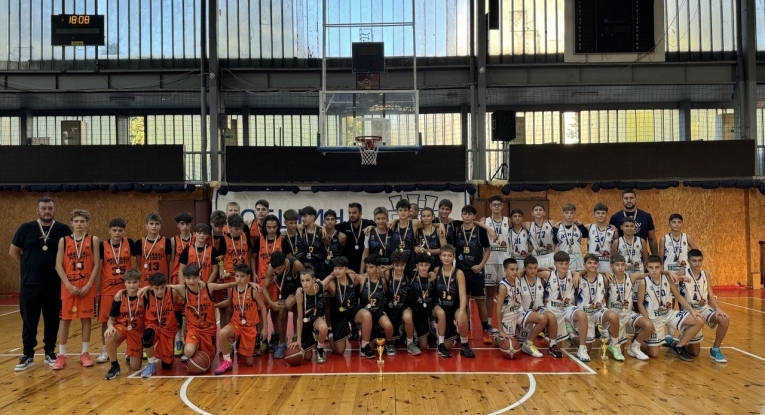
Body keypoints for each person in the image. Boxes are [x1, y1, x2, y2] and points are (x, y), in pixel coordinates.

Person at [10, 196, 71, 372]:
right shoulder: (26, 228)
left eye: (50, 208)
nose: (47, 211)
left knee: (52, 319)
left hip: (54, 283)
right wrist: (27, 265)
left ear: (54, 210)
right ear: (37, 210)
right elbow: (13, 251)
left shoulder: (62, 229)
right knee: (29, 320)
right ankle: (27, 354)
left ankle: (49, 352)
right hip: (30, 284)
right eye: (43, 208)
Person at [52, 209, 101, 370]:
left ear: (87, 223)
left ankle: (85, 353)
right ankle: (62, 355)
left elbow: (96, 264)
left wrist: (89, 284)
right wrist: (67, 284)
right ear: (71, 223)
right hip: (69, 287)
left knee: (86, 319)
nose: (79, 224)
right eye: (76, 221)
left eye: (82, 221)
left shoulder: (93, 240)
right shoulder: (64, 240)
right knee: (65, 320)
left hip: (86, 286)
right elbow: (58, 265)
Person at [636, 255, 704, 361]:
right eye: (651, 267)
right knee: (654, 353)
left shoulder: (667, 279)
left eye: (657, 267)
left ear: (662, 267)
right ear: (647, 267)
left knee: (699, 320)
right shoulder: (643, 282)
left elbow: (678, 296)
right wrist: (647, 321)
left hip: (669, 314)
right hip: (654, 318)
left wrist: (692, 311)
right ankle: (639, 342)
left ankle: (679, 346)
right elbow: (640, 303)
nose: (654, 270)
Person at [170, 265, 239, 364]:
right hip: (194, 330)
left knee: (208, 360)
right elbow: (164, 287)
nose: (191, 281)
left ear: (199, 277)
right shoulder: (182, 290)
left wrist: (249, 283)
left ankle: (198, 353)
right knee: (188, 352)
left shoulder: (208, 287)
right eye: (188, 278)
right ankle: (192, 350)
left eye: (194, 278)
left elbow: (228, 285)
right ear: (184, 279)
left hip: (209, 330)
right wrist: (146, 288)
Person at [676, 249, 730, 362]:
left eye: (699, 260)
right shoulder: (682, 273)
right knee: (695, 352)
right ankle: (681, 340)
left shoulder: (706, 275)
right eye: (694, 261)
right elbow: (673, 289)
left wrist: (718, 308)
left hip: (703, 308)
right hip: (689, 311)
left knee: (724, 319)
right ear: (688, 261)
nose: (697, 263)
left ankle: (715, 350)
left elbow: (710, 294)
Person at [214, 264, 268, 374]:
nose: (239, 279)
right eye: (237, 276)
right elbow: (229, 302)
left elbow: (263, 308)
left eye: (242, 276)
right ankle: (227, 361)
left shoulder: (253, 291)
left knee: (249, 362)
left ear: (248, 277)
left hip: (250, 327)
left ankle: (241, 345)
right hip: (237, 324)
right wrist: (214, 305)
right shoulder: (233, 289)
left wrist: (265, 328)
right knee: (222, 333)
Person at [96, 218, 135, 364]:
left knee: (130, 319)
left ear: (124, 231)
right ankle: (105, 349)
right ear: (109, 231)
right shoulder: (102, 246)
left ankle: (130, 349)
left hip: (127, 288)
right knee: (105, 320)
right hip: (107, 288)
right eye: (114, 230)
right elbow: (96, 264)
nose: (117, 233)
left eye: (120, 230)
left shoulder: (129, 243)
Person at [453, 205, 492, 345]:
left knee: (480, 301)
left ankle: (485, 330)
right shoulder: (456, 229)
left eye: (470, 214)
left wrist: (481, 265)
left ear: (474, 216)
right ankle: (467, 329)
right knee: (464, 301)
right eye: (465, 214)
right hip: (461, 271)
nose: (467, 216)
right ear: (461, 215)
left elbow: (488, 250)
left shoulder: (480, 230)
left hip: (476, 270)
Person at [324, 256, 375, 358]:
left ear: (346, 269)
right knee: (339, 351)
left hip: (352, 309)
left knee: (366, 315)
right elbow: (320, 287)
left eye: (340, 268)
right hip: (338, 314)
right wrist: (330, 276)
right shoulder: (331, 282)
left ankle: (365, 347)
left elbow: (362, 276)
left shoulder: (351, 276)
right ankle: (330, 334)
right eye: (335, 268)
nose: (337, 271)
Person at [575, 254, 624, 361]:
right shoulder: (578, 278)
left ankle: (614, 344)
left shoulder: (604, 278)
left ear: (598, 265)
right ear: (584, 265)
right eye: (589, 263)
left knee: (613, 316)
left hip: (599, 311)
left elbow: (605, 295)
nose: (592, 265)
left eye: (595, 263)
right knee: (588, 350)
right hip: (585, 314)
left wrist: (604, 272)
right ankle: (574, 338)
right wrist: (578, 273)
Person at [543, 251, 590, 362]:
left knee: (582, 315)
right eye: (561, 264)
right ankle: (569, 334)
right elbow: (530, 271)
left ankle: (582, 349)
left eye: (566, 263)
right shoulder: (548, 274)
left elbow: (586, 271)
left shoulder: (572, 274)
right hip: (553, 309)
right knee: (558, 347)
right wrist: (543, 268)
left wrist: (578, 274)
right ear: (555, 263)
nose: (564, 266)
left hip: (567, 308)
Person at [606, 254, 654, 361]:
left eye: (622, 265)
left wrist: (667, 272)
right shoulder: (608, 279)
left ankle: (634, 347)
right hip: (615, 318)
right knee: (620, 351)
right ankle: (613, 340)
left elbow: (649, 273)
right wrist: (604, 272)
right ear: (611, 266)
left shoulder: (631, 277)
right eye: (617, 265)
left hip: (628, 314)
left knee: (649, 325)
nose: (620, 267)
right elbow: (590, 272)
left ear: (625, 266)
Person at [494, 258, 544, 358]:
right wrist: (500, 330)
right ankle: (496, 337)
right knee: (510, 349)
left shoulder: (517, 277)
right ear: (505, 270)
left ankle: (528, 344)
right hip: (508, 317)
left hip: (520, 313)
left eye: (516, 269)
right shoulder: (503, 286)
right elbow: (498, 309)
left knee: (543, 319)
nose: (515, 272)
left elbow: (530, 269)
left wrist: (544, 269)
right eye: (512, 269)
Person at [516, 256, 562, 357]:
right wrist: (541, 269)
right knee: (543, 318)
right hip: (524, 311)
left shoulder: (541, 280)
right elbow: (518, 273)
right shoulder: (519, 279)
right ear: (524, 268)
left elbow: (545, 297)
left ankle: (553, 345)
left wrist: (541, 270)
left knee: (551, 317)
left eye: (535, 268)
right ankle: (528, 344)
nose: (533, 271)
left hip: (539, 309)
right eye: (530, 268)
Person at [432, 245, 473, 358]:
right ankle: (441, 344)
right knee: (447, 346)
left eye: (449, 256)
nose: (446, 258)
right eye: (444, 255)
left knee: (463, 315)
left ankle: (464, 344)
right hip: (440, 306)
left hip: (454, 307)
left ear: (454, 257)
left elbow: (463, 296)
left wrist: (461, 312)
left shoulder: (459, 273)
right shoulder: (436, 271)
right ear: (440, 257)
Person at [103, 269, 144, 380]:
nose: (132, 285)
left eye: (135, 282)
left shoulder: (144, 295)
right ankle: (114, 366)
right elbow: (111, 320)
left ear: (140, 282)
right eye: (129, 282)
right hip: (122, 328)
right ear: (125, 283)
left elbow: (158, 288)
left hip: (137, 331)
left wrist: (145, 288)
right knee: (109, 335)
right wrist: (110, 326)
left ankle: (130, 352)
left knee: (135, 367)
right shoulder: (119, 297)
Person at [139, 272, 180, 378]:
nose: (160, 291)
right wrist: (146, 288)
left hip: (168, 330)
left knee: (166, 366)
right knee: (147, 335)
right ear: (151, 287)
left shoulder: (172, 292)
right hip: (154, 326)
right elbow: (130, 290)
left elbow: (186, 288)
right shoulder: (147, 294)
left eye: (162, 287)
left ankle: (167, 356)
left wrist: (171, 286)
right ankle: (151, 363)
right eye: (156, 288)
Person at [263, 251, 303, 359]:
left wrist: (301, 290)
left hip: (298, 290)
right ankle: (282, 343)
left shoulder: (296, 264)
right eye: (275, 269)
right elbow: (264, 288)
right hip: (284, 292)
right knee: (281, 313)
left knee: (290, 304)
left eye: (279, 269)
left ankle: (297, 336)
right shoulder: (272, 268)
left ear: (285, 262)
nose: (277, 271)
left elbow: (306, 279)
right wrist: (271, 303)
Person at [289, 265, 330, 364]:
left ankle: (320, 349)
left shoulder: (320, 286)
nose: (305, 283)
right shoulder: (300, 295)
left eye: (307, 280)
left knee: (324, 327)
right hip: (306, 323)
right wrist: (299, 340)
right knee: (307, 357)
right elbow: (299, 319)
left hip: (316, 319)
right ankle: (299, 338)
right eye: (302, 280)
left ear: (314, 280)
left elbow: (330, 277)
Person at [219, 214, 250, 332]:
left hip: (245, 276)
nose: (239, 231)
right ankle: (230, 334)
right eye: (236, 229)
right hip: (230, 277)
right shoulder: (223, 239)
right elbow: (220, 258)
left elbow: (250, 254)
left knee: (245, 305)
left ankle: (245, 331)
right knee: (230, 307)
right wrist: (222, 272)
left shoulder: (245, 236)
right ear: (229, 228)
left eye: (241, 228)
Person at [484, 195, 510, 331]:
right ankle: (488, 323)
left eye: (498, 205)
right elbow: (474, 222)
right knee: (489, 292)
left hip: (504, 261)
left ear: (502, 206)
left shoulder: (508, 220)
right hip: (490, 260)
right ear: (490, 206)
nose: (496, 207)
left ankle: (506, 322)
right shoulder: (485, 221)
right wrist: (487, 228)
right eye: (494, 205)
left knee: (505, 293)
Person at [361, 253, 395, 355]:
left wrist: (384, 270)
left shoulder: (383, 281)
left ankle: (389, 343)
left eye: (371, 267)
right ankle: (364, 343)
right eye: (367, 267)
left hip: (379, 311)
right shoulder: (362, 279)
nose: (368, 270)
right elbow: (349, 275)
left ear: (378, 267)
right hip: (366, 312)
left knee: (388, 325)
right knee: (371, 347)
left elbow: (387, 293)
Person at [170, 212, 193, 357]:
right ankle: (178, 341)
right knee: (177, 312)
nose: (185, 226)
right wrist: (171, 280)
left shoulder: (196, 238)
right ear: (178, 225)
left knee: (190, 311)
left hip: (192, 279)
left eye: (187, 224)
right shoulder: (174, 240)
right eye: (182, 224)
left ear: (191, 225)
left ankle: (190, 339)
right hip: (177, 278)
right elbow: (172, 261)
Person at [609, 189, 658, 254]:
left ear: (635, 199)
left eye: (631, 198)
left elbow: (652, 239)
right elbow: (611, 239)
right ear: (622, 200)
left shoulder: (646, 216)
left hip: (641, 254)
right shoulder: (615, 217)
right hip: (621, 256)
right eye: (626, 198)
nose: (629, 200)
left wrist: (655, 256)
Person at [132, 213, 172, 288]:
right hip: (145, 281)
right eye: (151, 223)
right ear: (146, 226)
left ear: (160, 226)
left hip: (162, 281)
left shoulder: (167, 241)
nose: (154, 226)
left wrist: (169, 281)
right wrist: (137, 281)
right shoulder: (139, 242)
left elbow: (169, 263)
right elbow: (138, 265)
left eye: (157, 224)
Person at [404, 253, 433, 355]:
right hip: (416, 311)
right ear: (417, 266)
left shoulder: (432, 277)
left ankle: (432, 329)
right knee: (423, 346)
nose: (424, 268)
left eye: (426, 265)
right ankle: (411, 331)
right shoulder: (412, 276)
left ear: (429, 265)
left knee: (424, 347)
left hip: (427, 310)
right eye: (421, 265)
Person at [337, 202, 376, 274]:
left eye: (354, 213)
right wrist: (322, 228)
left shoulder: (368, 223)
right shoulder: (344, 226)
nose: (351, 215)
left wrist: (372, 227)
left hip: (365, 264)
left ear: (360, 213)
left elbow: (383, 225)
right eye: (349, 213)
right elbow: (328, 227)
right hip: (349, 266)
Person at [586, 203, 618, 273]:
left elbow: (616, 252)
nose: (600, 215)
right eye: (598, 213)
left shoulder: (613, 231)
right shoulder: (589, 227)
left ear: (607, 214)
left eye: (603, 213)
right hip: (592, 266)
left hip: (607, 267)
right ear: (594, 214)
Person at [555, 204, 588, 272]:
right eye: (566, 213)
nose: (569, 215)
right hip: (562, 262)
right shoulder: (557, 228)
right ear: (563, 214)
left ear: (575, 214)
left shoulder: (579, 227)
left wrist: (581, 225)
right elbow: (553, 243)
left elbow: (587, 235)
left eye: (571, 213)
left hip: (578, 262)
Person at [298, 206, 327, 278]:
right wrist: (322, 227)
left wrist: (322, 228)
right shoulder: (301, 229)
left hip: (319, 265)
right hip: (305, 265)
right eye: (302, 217)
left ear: (313, 217)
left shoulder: (320, 232)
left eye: (305, 216)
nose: (302, 219)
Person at [525, 203, 556, 269]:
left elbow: (562, 224)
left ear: (544, 213)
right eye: (536, 210)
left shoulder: (551, 223)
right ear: (532, 213)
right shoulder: (528, 225)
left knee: (551, 274)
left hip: (550, 256)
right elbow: (516, 223)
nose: (538, 211)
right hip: (536, 257)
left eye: (540, 210)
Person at [362, 207, 393, 271]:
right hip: (373, 270)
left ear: (387, 219)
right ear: (374, 220)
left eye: (383, 218)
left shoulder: (392, 231)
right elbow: (365, 254)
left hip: (388, 269)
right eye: (378, 219)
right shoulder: (369, 232)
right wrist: (361, 272)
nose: (381, 221)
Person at [323, 209, 346, 276]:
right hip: (322, 267)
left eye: (332, 219)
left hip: (336, 267)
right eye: (327, 219)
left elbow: (344, 253)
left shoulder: (342, 236)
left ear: (336, 221)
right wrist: (322, 228)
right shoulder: (320, 233)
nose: (330, 222)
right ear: (324, 221)